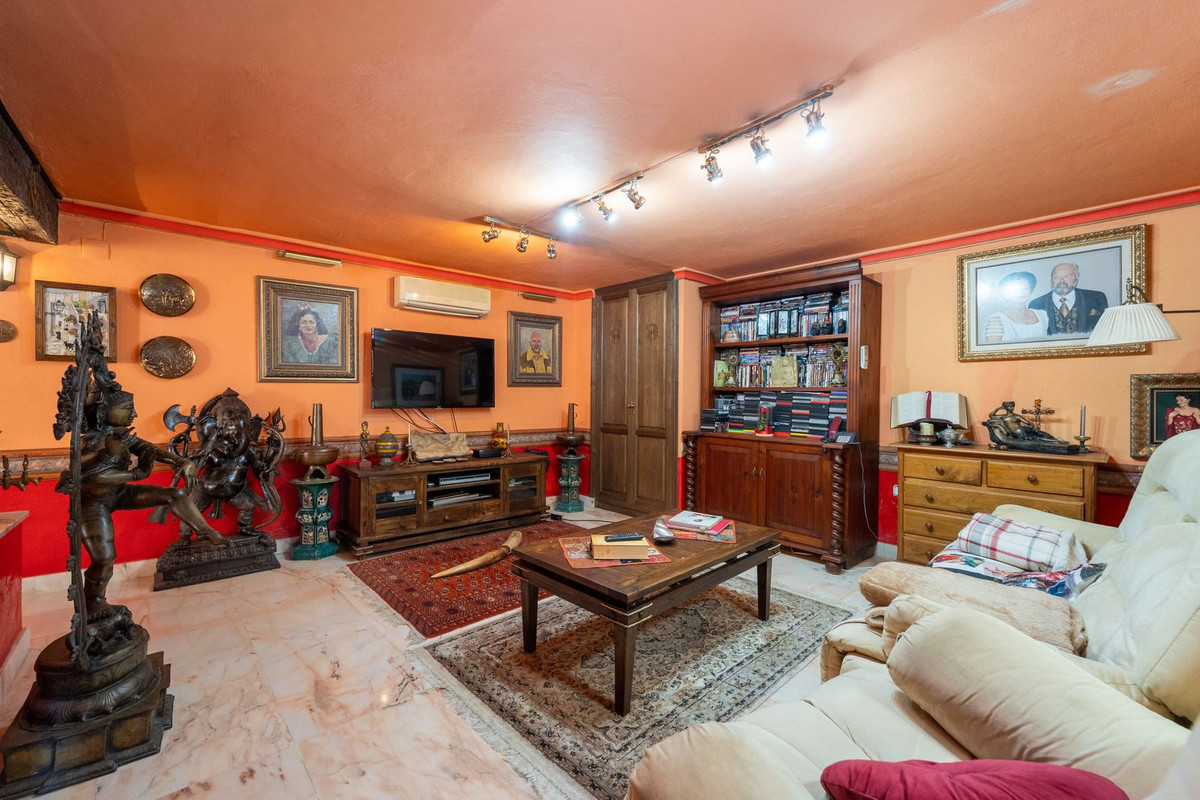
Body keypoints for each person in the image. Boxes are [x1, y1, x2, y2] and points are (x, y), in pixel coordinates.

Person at [57, 387, 226, 623]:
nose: (134, 414)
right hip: (92, 502)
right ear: (104, 412)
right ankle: (94, 602)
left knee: (175, 494)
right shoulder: (90, 442)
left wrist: (181, 461)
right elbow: (92, 476)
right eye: (128, 408)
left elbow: (148, 449)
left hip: (119, 493)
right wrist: (136, 474)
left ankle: (205, 530)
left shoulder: (121, 436)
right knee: (104, 558)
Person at [1028, 261, 1109, 335]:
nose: (1061, 281)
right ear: (1051, 279)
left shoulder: (1096, 298)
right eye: (1056, 277)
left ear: (1076, 278)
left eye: (1067, 276)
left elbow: (1105, 331)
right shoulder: (1036, 304)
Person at [983, 271, 1048, 343]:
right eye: (1017, 289)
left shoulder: (1042, 315)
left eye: (1025, 288)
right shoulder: (996, 320)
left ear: (1030, 291)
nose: (1022, 292)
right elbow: (992, 348)